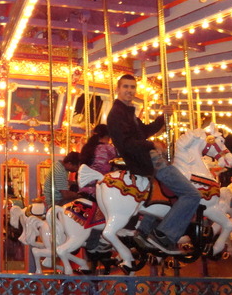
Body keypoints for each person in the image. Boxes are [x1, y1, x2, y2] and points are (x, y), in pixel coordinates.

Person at [107, 74, 200, 255]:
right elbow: (125, 143)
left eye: (132, 87)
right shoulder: (117, 114)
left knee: (167, 195)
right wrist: (152, 145)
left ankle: (145, 231)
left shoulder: (127, 112)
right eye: (125, 87)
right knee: (191, 194)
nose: (129, 90)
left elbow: (144, 131)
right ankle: (165, 235)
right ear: (117, 89)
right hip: (148, 162)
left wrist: (162, 117)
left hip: (148, 160)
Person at [77, 124, 117, 254]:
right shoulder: (107, 148)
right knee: (112, 212)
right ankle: (97, 241)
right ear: (108, 136)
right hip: (98, 187)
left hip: (84, 188)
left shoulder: (87, 148)